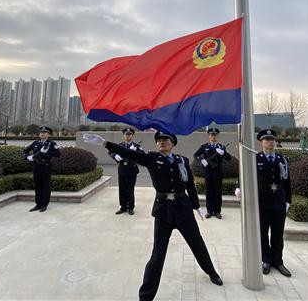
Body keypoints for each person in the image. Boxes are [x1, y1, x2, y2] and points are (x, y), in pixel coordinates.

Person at [83, 131, 223, 301]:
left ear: (173, 142)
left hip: (183, 209)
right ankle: (146, 296)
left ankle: (211, 272)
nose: (161, 142)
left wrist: (195, 205)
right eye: (159, 140)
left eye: (165, 139)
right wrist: (105, 143)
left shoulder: (182, 160)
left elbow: (190, 185)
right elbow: (128, 153)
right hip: (163, 211)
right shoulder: (151, 158)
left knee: (197, 244)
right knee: (158, 254)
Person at [236, 129, 292, 277]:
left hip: (279, 199)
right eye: (267, 139)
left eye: (272, 139)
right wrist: (239, 187)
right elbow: (244, 174)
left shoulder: (282, 159)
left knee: (278, 233)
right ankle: (266, 259)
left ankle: (278, 261)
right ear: (261, 142)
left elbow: (287, 182)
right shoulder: (255, 158)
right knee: (262, 232)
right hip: (262, 200)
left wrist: (288, 201)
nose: (270, 142)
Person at [193, 128, 231, 219]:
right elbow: (196, 155)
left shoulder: (221, 147)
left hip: (218, 173)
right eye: (211, 135)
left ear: (217, 136)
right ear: (209, 136)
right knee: (209, 192)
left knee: (218, 192)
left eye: (215, 135)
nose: (213, 136)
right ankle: (209, 211)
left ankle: (217, 211)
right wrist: (201, 160)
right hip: (208, 172)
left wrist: (223, 153)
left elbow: (229, 158)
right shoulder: (204, 146)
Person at [23, 126, 60, 212]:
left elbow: (57, 154)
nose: (42, 134)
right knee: (37, 186)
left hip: (46, 167)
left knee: (46, 186)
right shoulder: (36, 143)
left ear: (48, 134)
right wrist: (27, 157)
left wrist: (47, 152)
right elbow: (25, 150)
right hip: (36, 166)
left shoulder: (52, 143)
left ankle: (44, 204)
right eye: (41, 132)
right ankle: (38, 204)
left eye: (44, 132)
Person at [108, 127, 144, 215]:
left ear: (132, 136)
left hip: (131, 170)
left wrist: (135, 152)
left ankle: (131, 207)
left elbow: (143, 155)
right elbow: (110, 151)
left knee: (130, 189)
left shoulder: (136, 146)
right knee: (122, 189)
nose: (127, 136)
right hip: (122, 170)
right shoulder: (120, 145)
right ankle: (123, 206)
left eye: (129, 134)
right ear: (124, 135)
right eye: (126, 134)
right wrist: (115, 156)